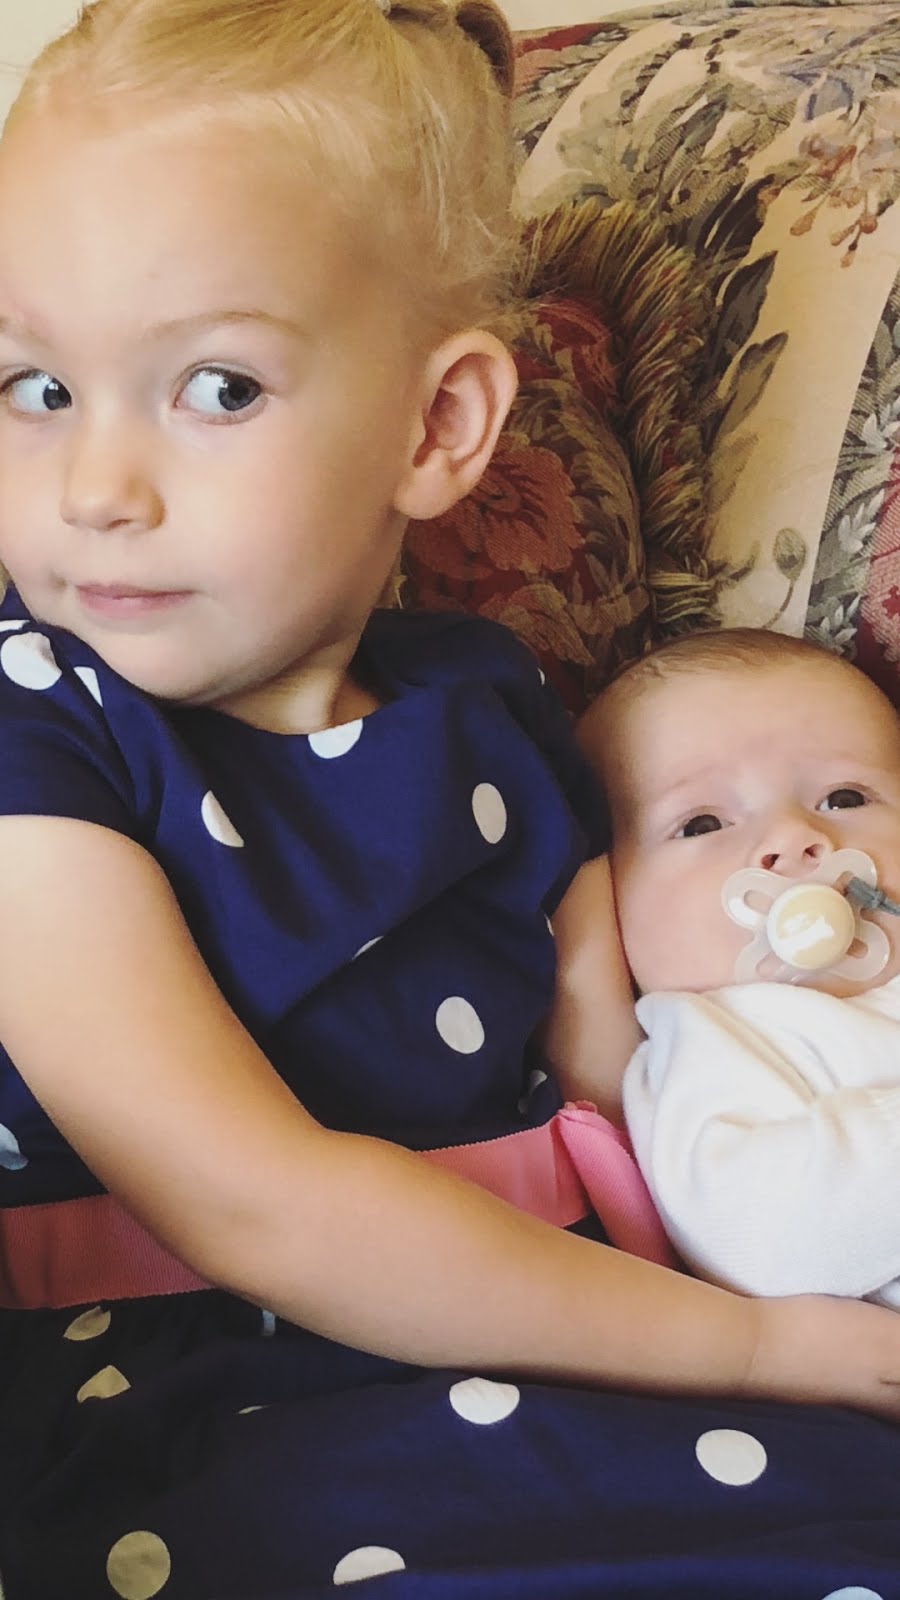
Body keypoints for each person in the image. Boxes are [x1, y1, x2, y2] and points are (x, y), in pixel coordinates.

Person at [0, 3, 899, 1595]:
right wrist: (756, 1345)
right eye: (34, 385)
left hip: (601, 1322)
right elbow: (251, 1207)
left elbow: (623, 1074)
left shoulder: (493, 706)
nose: (96, 489)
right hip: (208, 1379)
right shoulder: (38, 732)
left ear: (438, 425)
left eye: (216, 387)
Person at [577, 627, 900, 1309]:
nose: (793, 837)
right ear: (611, 906)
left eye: (844, 798)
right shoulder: (711, 1038)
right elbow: (768, 1242)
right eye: (701, 824)